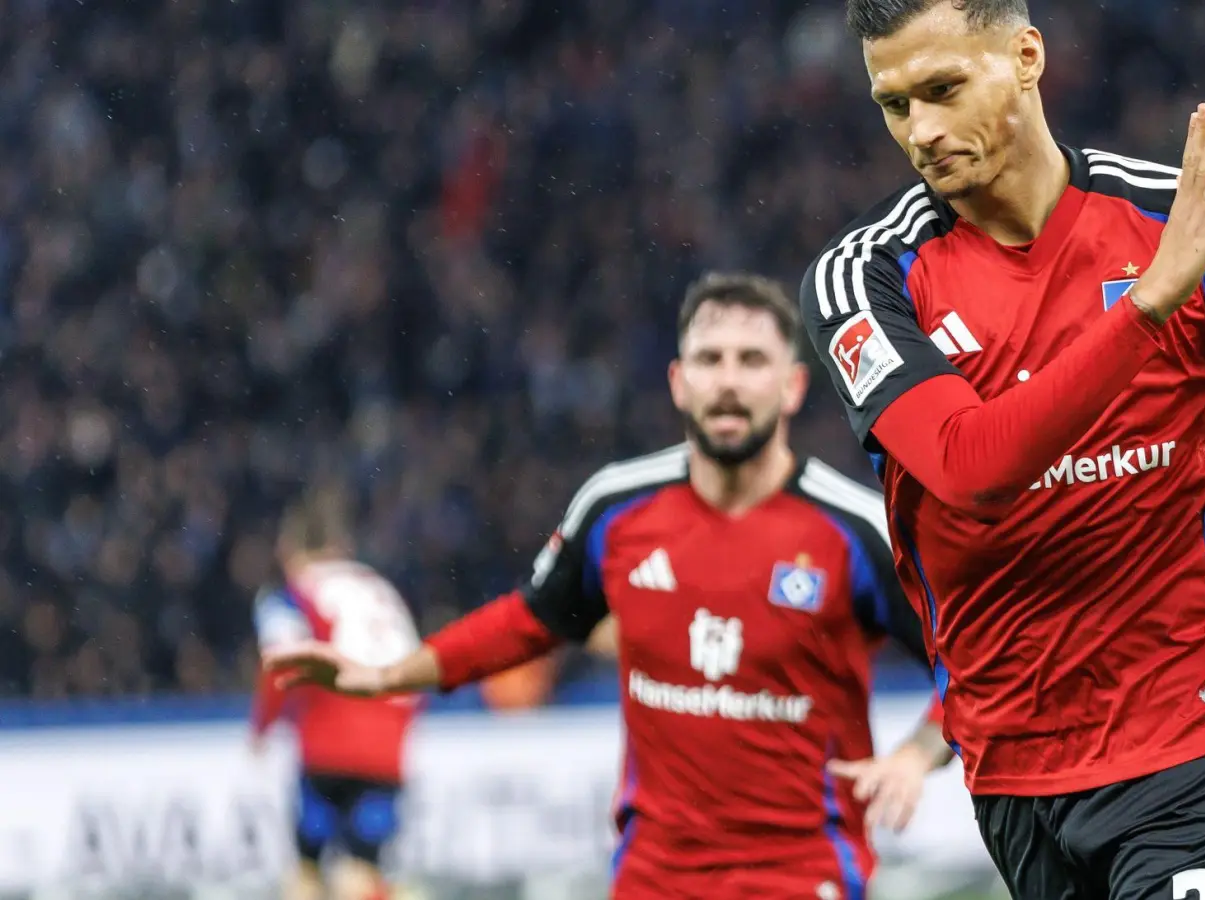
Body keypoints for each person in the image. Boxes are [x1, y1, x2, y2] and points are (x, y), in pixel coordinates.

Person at [799, 2, 1205, 897]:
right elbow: (969, 468)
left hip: (1201, 738)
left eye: (942, 89)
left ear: (1024, 56)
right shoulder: (866, 276)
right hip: (1017, 773)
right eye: (894, 105)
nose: (921, 132)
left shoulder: (1179, 221)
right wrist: (1145, 311)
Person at [264, 272, 952, 900]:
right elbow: (527, 622)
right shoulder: (617, 507)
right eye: (711, 360)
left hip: (803, 872)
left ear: (793, 386)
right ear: (679, 382)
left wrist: (918, 755)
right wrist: (386, 678)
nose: (730, 381)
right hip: (654, 875)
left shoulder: (855, 531)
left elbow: (976, 663)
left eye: (752, 361)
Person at [250, 489, 423, 900]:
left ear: (289, 547)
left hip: (327, 742)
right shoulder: (381, 589)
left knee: (306, 871)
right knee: (360, 870)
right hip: (387, 748)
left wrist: (262, 727)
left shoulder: (293, 594)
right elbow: (417, 671)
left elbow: (281, 662)